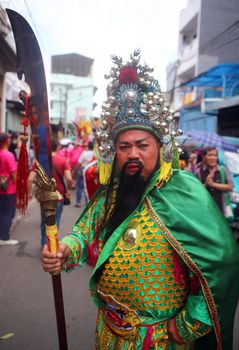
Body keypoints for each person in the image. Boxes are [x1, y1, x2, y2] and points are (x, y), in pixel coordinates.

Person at [42, 51, 239, 349]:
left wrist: (189, 324)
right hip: (108, 332)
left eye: (142, 145)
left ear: (159, 147)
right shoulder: (112, 192)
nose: (133, 153)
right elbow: (84, 232)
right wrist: (66, 249)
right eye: (124, 146)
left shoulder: (183, 191)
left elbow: (221, 261)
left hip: (159, 338)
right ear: (115, 152)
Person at [28, 139, 73, 246]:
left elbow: (30, 179)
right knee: (54, 222)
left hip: (44, 197)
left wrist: (29, 193)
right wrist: (69, 190)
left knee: (44, 221)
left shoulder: (39, 162)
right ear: (57, 147)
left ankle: (44, 244)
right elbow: (69, 178)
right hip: (58, 197)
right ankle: (51, 247)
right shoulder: (63, 161)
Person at [195, 147, 233, 216]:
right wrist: (206, 184)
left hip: (221, 210)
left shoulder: (223, 170)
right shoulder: (199, 172)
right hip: (205, 210)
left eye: (215, 155)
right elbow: (196, 191)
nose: (212, 158)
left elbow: (230, 187)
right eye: (210, 155)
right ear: (204, 157)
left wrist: (213, 184)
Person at [0, 132, 18, 245]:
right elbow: (14, 174)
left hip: (1, 189)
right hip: (9, 189)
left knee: (2, 212)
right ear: (6, 141)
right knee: (8, 213)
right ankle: (4, 238)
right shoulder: (8, 155)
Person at [74, 140, 95, 207]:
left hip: (83, 170)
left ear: (88, 146)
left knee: (79, 187)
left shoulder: (84, 153)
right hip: (92, 171)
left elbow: (79, 163)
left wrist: (74, 170)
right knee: (88, 186)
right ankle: (88, 202)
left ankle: (78, 202)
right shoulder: (95, 154)